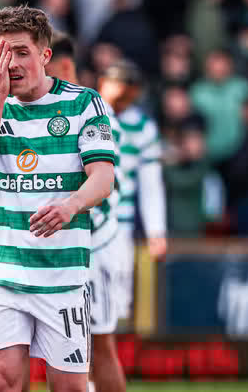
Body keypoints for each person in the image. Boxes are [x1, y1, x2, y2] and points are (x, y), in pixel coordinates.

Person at [0, 6, 115, 392]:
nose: (11, 63)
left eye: (21, 52)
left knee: (70, 388)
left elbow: (103, 178)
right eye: (2, 53)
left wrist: (70, 205)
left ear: (45, 55)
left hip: (63, 275)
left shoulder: (84, 103)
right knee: (1, 382)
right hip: (3, 273)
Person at [20, 33, 126, 392]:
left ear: (62, 65)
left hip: (93, 245)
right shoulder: (39, 107)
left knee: (99, 347)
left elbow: (104, 180)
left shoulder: (96, 111)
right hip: (50, 246)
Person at [99, 60, 167, 322]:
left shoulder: (143, 126)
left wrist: (156, 231)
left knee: (115, 305)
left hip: (120, 224)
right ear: (103, 83)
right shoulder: (84, 113)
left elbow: (151, 184)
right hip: (80, 222)